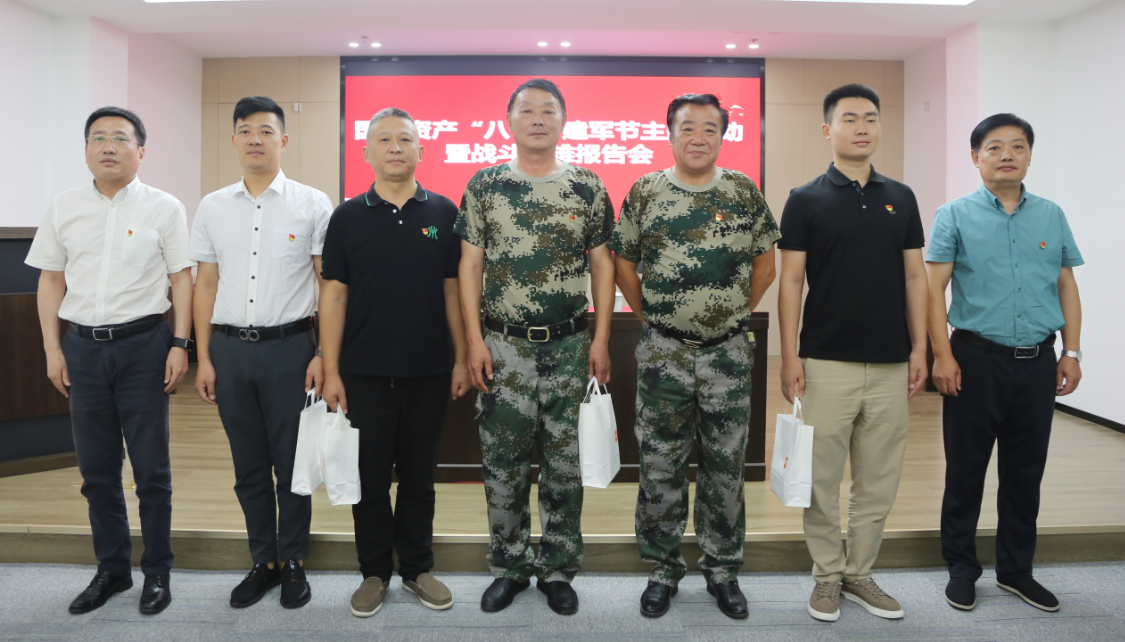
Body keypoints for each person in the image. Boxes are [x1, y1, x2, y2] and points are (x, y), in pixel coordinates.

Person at [611, 93, 779, 620]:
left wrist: (728, 316)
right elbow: (623, 265)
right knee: (660, 464)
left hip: (727, 354)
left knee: (725, 467)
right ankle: (662, 570)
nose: (699, 137)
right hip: (663, 353)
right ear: (670, 134)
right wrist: (654, 318)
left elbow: (766, 266)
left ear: (723, 136)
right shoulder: (646, 192)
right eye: (688, 128)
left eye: (710, 128)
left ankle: (722, 569)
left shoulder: (743, 191)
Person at [457, 78, 615, 616]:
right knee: (503, 464)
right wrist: (474, 340)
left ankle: (558, 568)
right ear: (509, 121)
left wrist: (600, 338)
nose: (539, 118)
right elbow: (470, 266)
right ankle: (509, 566)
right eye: (527, 110)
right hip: (504, 347)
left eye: (549, 110)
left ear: (564, 121)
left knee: (564, 465)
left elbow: (602, 265)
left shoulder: (587, 185)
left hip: (570, 345)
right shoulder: (486, 185)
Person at [27, 106, 193, 615]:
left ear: (140, 151)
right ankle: (113, 569)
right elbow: (50, 279)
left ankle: (157, 571)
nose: (108, 146)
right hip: (81, 348)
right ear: (85, 151)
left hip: (144, 346)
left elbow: (181, 278)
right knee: (96, 470)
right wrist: (53, 349)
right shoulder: (64, 207)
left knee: (151, 470)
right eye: (97, 138)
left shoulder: (164, 207)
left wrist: (180, 343)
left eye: (120, 138)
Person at [777, 83, 928, 622]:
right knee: (821, 479)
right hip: (825, 361)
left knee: (878, 479)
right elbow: (790, 282)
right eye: (849, 118)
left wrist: (920, 347)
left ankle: (860, 573)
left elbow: (915, 277)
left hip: (891, 362)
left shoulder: (902, 197)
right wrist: (789, 356)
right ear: (828, 129)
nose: (861, 127)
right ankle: (826, 577)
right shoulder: (805, 198)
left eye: (870, 118)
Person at [927, 113, 1083, 614]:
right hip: (975, 359)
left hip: (1037, 361)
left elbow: (1065, 284)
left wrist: (1071, 351)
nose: (1007, 155)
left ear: (1030, 155)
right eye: (994, 147)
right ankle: (962, 568)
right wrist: (942, 355)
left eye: (1018, 146)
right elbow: (933, 290)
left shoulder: (1051, 214)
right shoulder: (953, 214)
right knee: (965, 470)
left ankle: (1017, 571)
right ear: (976, 157)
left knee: (1025, 472)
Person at [319, 108, 472, 617]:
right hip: (363, 373)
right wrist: (331, 369)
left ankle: (417, 568)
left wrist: (460, 358)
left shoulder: (444, 213)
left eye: (405, 139)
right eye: (383, 139)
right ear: (366, 151)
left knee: (419, 479)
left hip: (429, 370)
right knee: (368, 480)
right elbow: (334, 296)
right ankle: (373, 572)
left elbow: (452, 292)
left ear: (421, 151)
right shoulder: (346, 217)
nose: (395, 147)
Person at [190, 96, 332, 610]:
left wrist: (323, 352)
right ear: (233, 140)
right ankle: (262, 561)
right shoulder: (212, 206)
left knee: (292, 464)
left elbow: (327, 285)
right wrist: (204, 358)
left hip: (291, 350)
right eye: (246, 130)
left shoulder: (312, 203)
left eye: (266, 131)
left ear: (283, 141)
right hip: (230, 350)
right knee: (248, 464)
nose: (255, 138)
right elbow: (205, 284)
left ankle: (293, 560)